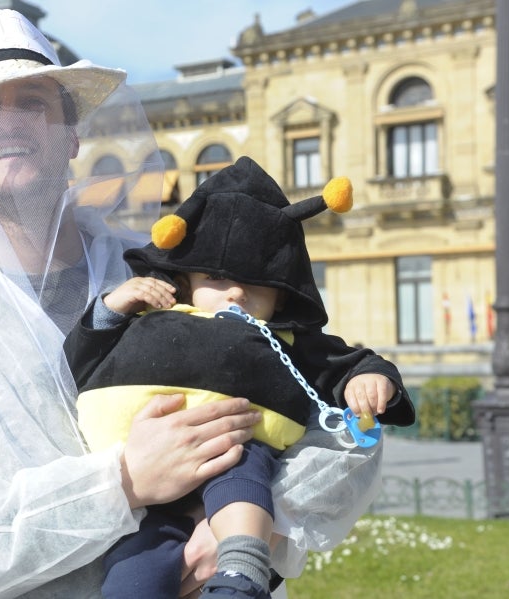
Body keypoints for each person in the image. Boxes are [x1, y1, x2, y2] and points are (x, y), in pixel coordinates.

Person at [0, 9, 400, 599]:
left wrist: (256, 529)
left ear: (72, 137)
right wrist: (121, 481)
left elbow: (340, 427)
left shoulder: (175, 275)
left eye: (34, 102)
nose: (9, 122)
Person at [63, 156, 416, 598]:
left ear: (283, 296)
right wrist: (112, 308)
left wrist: (370, 379)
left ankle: (241, 575)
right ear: (187, 281)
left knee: (243, 477)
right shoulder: (152, 315)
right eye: (215, 276)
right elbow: (78, 364)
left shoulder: (284, 338)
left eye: (255, 283)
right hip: (144, 495)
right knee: (133, 572)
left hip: (234, 457)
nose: (234, 291)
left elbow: (346, 362)